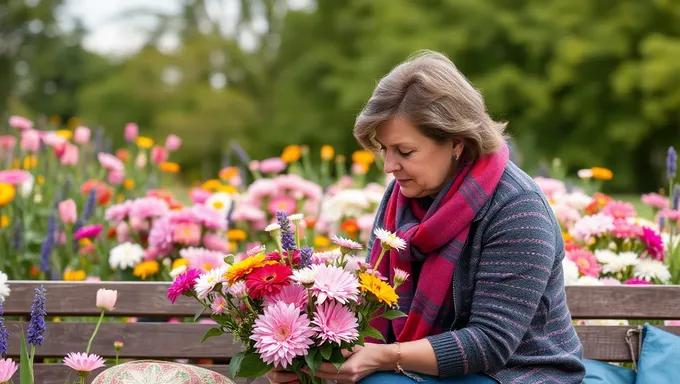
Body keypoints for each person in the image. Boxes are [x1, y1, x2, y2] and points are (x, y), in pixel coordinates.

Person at [265, 50, 586, 384]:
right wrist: (312, 360)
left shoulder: (517, 207)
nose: (389, 166)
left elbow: (490, 343)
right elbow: (375, 304)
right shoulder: (400, 197)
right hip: (421, 370)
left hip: (518, 374)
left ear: (456, 142)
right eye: (384, 149)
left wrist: (385, 357)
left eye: (405, 152)